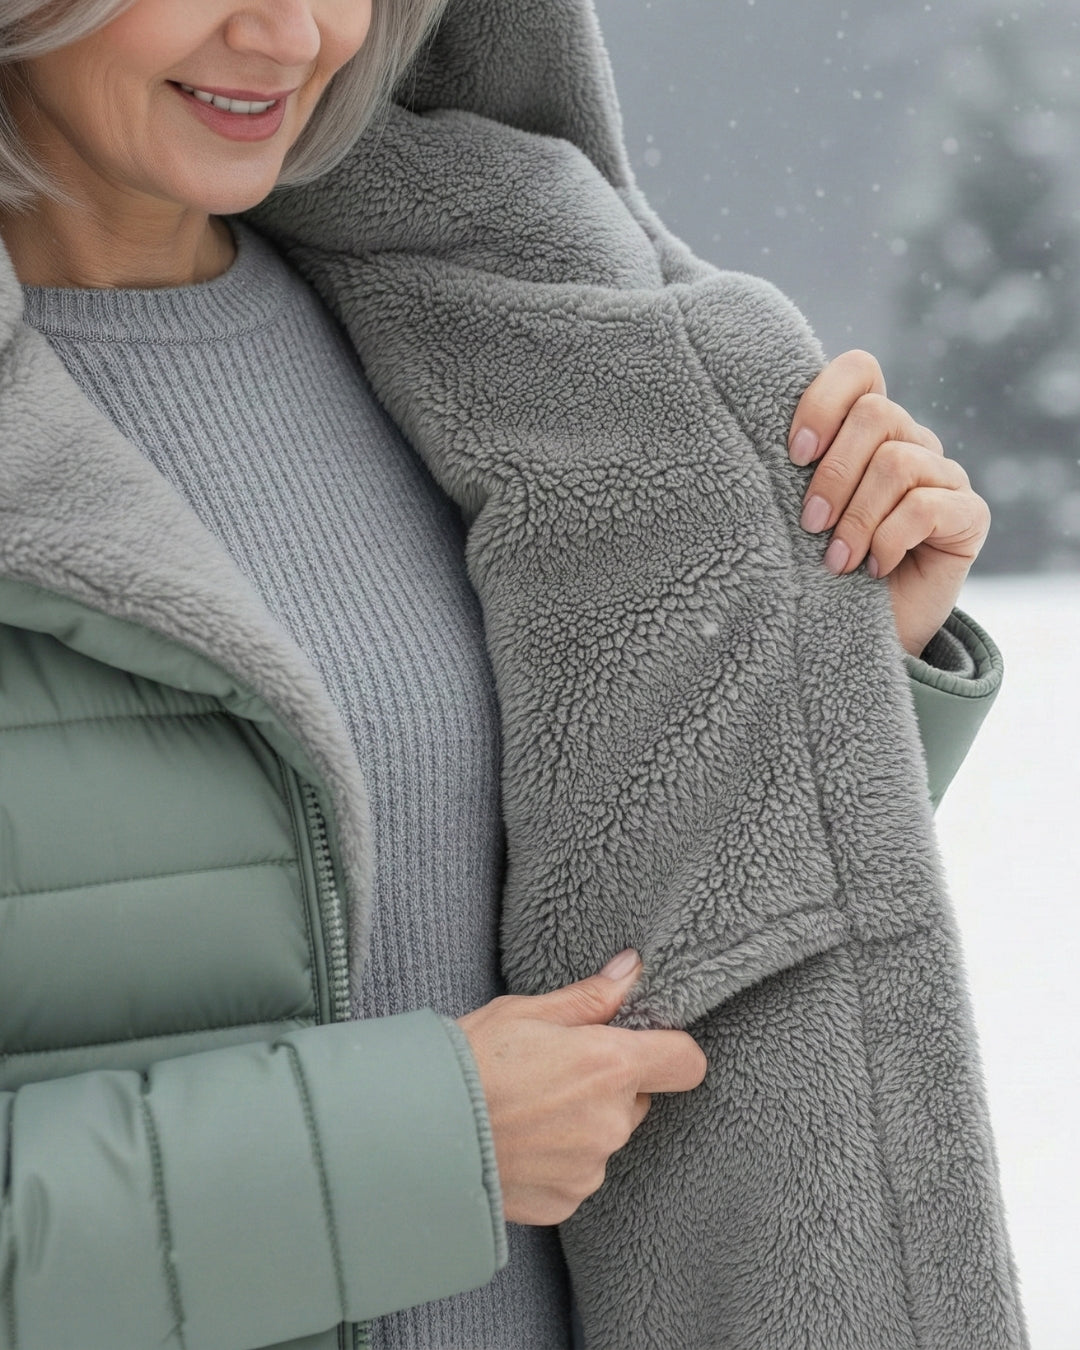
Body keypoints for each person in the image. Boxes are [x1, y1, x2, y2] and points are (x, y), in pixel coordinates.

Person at [0, 2, 1024, 1349]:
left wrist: (823, 675)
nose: (289, 29)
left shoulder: (503, 337)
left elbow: (566, 933)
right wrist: (420, 1146)